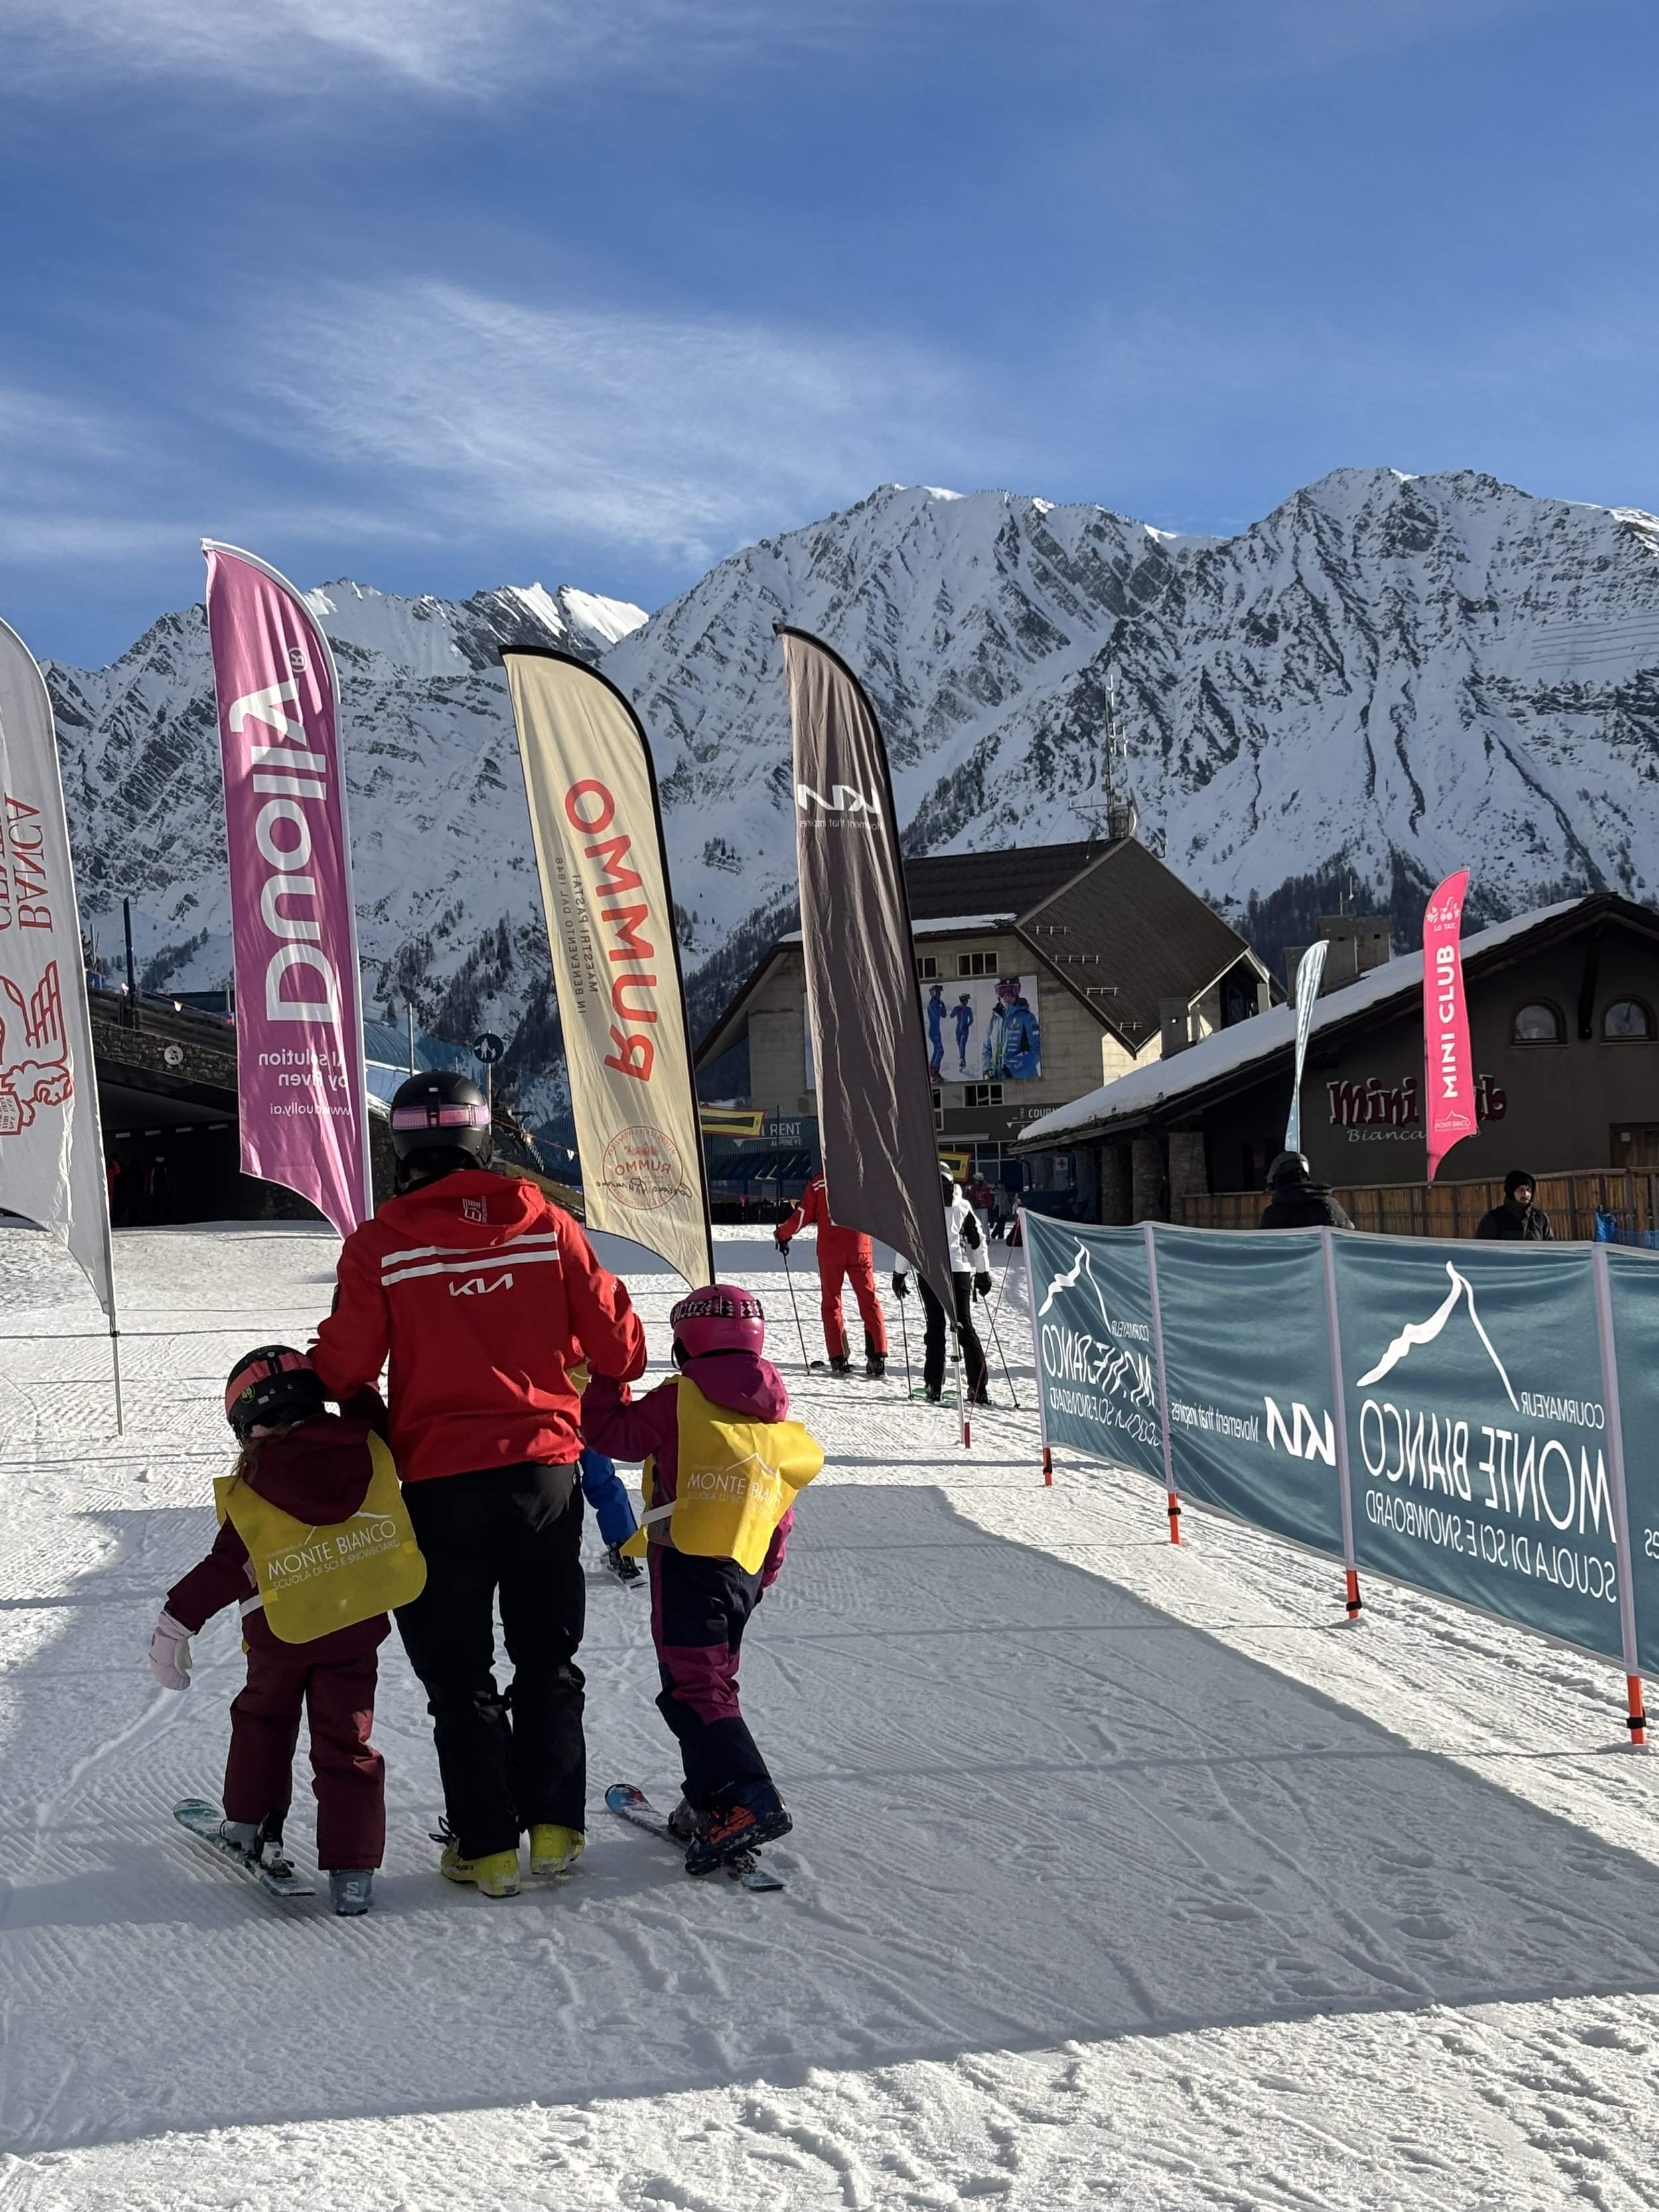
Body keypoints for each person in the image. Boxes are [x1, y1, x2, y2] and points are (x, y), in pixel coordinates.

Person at [309, 1069, 646, 1901]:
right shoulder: (548, 1224)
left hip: (439, 1481)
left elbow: (344, 1365)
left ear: (406, 1151)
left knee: (458, 1671)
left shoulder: (381, 1242)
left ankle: (488, 1848)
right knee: (547, 1654)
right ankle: (558, 1832)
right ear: (481, 1138)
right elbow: (621, 1352)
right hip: (545, 1474)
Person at [149, 1346, 414, 1917]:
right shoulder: (368, 1445)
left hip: (281, 1633)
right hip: (353, 1627)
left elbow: (227, 1566)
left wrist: (176, 1623)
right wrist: (348, 1372)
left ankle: (248, 1825)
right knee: (347, 1741)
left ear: (250, 1425)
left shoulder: (259, 1482)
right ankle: (353, 1868)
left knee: (263, 1721)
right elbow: (371, 1406)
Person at [583, 1284, 822, 1874]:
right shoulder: (770, 1403)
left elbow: (611, 1434)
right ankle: (707, 1798)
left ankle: (749, 1795)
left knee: (693, 1686)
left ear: (686, 1345)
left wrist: (609, 1375)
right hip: (744, 1563)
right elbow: (778, 1496)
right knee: (714, 1681)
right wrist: (767, 1566)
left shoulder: (678, 1400)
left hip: (688, 1563)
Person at [774, 1169, 889, 1378]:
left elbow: (804, 1215)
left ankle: (838, 1357)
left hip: (830, 1249)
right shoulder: (863, 1174)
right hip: (860, 1245)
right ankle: (877, 1356)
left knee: (831, 1302)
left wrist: (782, 1234)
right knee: (869, 1299)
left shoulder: (819, 1181)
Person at [893, 1162, 992, 1403]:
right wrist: (983, 1272)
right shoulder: (963, 1206)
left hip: (930, 1272)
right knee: (964, 1326)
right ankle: (978, 1388)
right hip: (959, 1271)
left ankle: (933, 1384)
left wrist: (899, 1274)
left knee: (935, 1327)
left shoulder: (918, 1205)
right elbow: (977, 1242)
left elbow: (908, 1243)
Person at [1258, 1151, 1354, 1229]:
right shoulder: (1330, 1204)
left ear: (1277, 1179)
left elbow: (1267, 1246)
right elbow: (1348, 1235)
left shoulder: (1273, 1214)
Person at [1476, 1168, 1554, 1241]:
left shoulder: (1540, 1218)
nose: (1526, 1194)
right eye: (1521, 1190)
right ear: (1511, 1192)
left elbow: (1549, 1246)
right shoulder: (1493, 1219)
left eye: (1528, 1190)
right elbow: (1484, 1249)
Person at [925, 983, 947, 1078]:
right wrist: (940, 1006)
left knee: (939, 1051)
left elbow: (944, 1015)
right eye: (938, 993)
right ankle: (933, 1072)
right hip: (933, 1031)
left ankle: (935, 1071)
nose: (939, 995)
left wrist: (943, 1005)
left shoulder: (937, 1003)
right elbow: (937, 1016)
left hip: (937, 1031)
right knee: (939, 1051)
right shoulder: (932, 1004)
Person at [953, 994, 975, 1075]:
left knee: (962, 1044)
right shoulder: (957, 1008)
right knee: (960, 1045)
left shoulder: (969, 1009)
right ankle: (963, 1061)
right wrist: (956, 1010)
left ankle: (962, 1060)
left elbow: (971, 1020)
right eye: (965, 1000)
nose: (966, 1002)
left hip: (965, 1030)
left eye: (966, 1000)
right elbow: (952, 1016)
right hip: (958, 1030)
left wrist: (966, 1027)